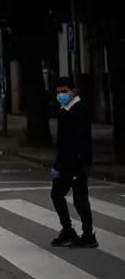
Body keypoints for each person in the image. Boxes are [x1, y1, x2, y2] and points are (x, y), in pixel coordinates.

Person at [50, 76, 98, 248]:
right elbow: (63, 142)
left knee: (79, 199)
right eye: (58, 92)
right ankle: (69, 231)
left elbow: (75, 142)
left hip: (77, 163)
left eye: (64, 92)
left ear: (73, 91)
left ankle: (88, 235)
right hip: (67, 163)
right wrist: (58, 164)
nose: (61, 95)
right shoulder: (66, 109)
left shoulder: (77, 111)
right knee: (57, 194)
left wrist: (62, 165)